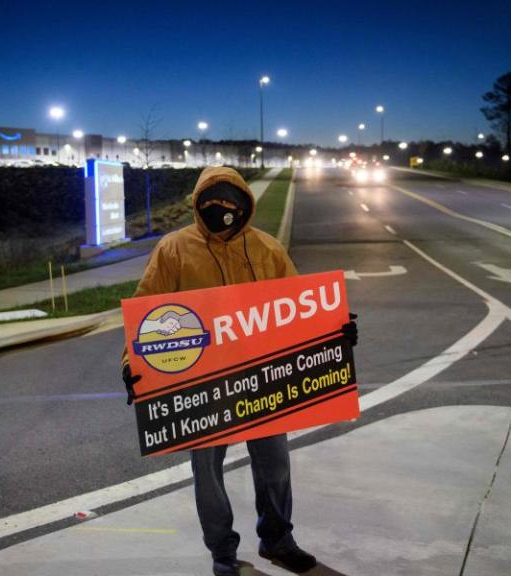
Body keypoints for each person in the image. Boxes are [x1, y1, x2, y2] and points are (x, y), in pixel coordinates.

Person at [121, 166, 357, 576]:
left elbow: (298, 306)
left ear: (244, 204)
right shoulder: (173, 250)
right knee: (207, 473)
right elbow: (150, 312)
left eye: (230, 203)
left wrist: (332, 333)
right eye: (211, 203)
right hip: (202, 385)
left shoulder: (267, 249)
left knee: (276, 465)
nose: (221, 210)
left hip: (263, 379)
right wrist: (133, 364)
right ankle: (223, 552)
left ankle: (278, 541)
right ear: (197, 205)